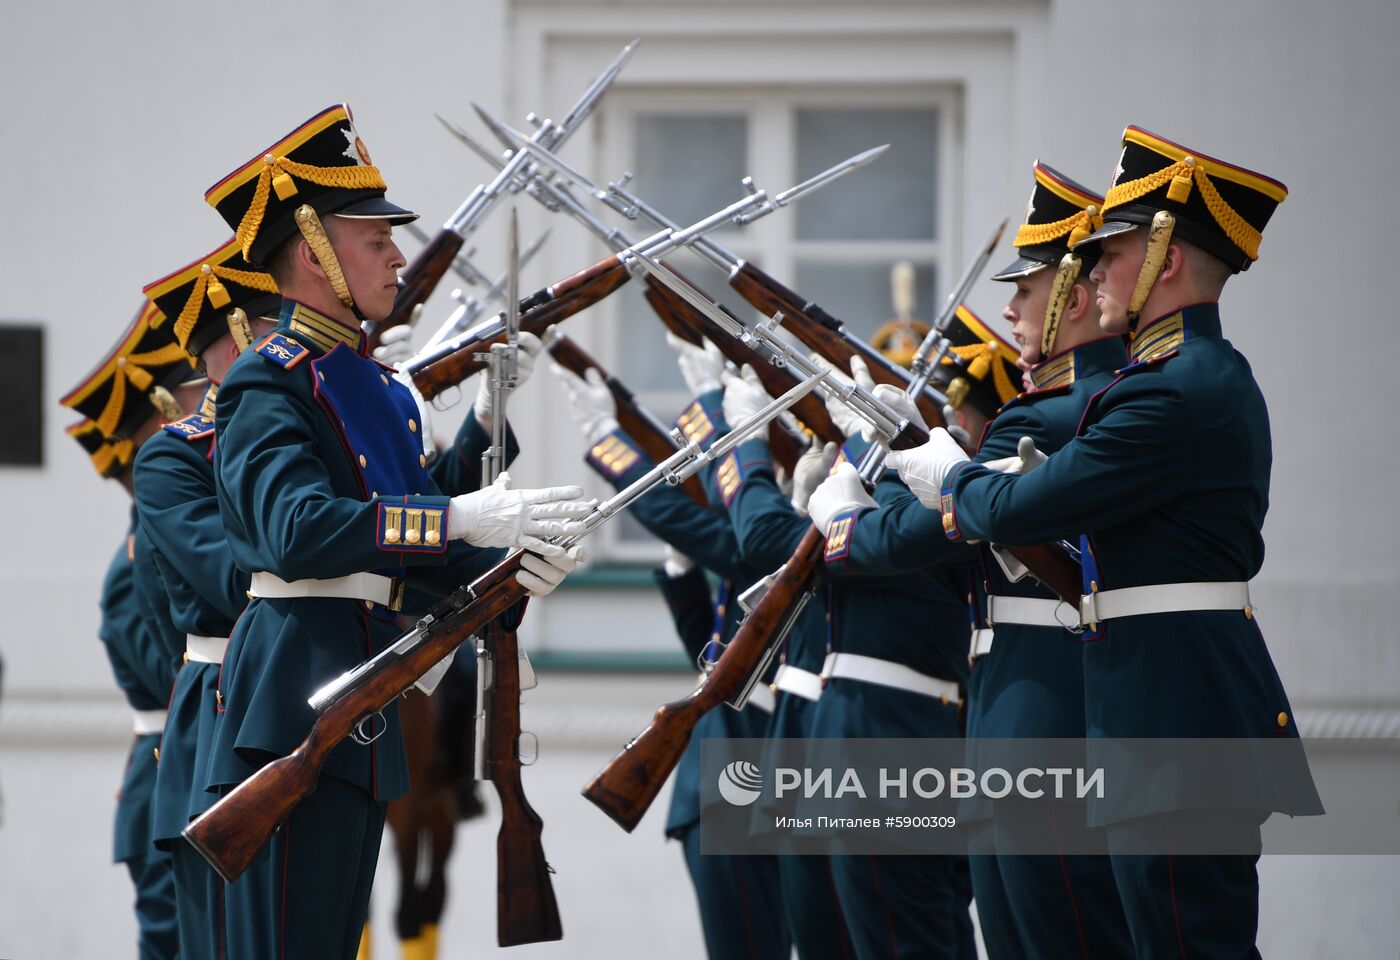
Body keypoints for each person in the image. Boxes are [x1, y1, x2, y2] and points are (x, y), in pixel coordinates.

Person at [888, 126, 1323, 957]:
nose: (1089, 276)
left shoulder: (1178, 393)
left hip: (1179, 710)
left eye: (1108, 253)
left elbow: (1025, 505)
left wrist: (954, 475)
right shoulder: (1163, 385)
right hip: (1154, 702)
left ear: (1163, 258)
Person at [201, 103, 591, 958]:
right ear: (312, 253)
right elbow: (295, 530)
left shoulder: (374, 387)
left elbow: (421, 549)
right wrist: (457, 516)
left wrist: (511, 545)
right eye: (375, 239)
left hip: (370, 696)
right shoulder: (270, 381)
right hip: (297, 692)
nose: (397, 256)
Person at [550, 342, 792, 960]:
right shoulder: (761, 535)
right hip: (725, 787)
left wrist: (611, 437)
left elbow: (673, 511)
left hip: (748, 786)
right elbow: (711, 656)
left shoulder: (775, 535)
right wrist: (683, 578)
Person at [62, 300, 210, 959]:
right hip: (162, 786)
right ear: (166, 421)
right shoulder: (134, 562)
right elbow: (171, 674)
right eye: (198, 401)